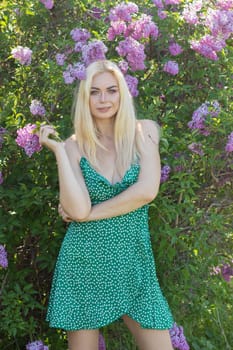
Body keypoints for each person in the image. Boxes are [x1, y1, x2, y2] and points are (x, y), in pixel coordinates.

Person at [39, 60, 174, 350]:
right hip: (84, 262)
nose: (103, 99)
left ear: (122, 94)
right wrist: (61, 153)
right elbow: (76, 209)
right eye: (95, 92)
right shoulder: (74, 145)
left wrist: (87, 216)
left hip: (134, 263)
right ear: (85, 97)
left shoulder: (144, 131)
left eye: (111, 91)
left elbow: (146, 191)